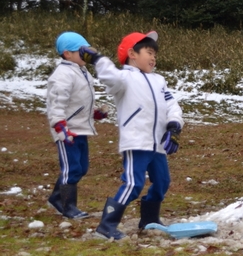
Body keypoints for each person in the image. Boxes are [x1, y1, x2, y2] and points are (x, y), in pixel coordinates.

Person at [79, 31, 184, 240]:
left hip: (157, 143)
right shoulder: (123, 79)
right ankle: (106, 225)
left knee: (162, 182)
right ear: (132, 54)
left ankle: (149, 221)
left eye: (155, 54)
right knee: (133, 184)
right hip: (137, 141)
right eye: (149, 52)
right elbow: (109, 75)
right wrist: (98, 60)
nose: (153, 57)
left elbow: (171, 104)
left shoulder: (159, 81)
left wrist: (174, 126)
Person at [45, 32, 107, 219]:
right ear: (67, 54)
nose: (86, 54)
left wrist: (94, 112)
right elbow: (57, 102)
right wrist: (59, 124)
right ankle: (67, 206)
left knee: (81, 167)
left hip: (81, 127)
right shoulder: (63, 74)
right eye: (82, 51)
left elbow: (81, 99)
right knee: (71, 168)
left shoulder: (82, 71)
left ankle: (56, 198)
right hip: (67, 130)